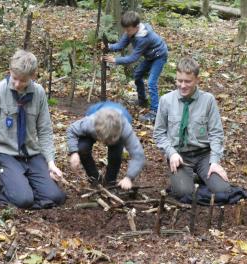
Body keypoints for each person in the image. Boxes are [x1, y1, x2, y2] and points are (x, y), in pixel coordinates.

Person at [0, 49, 66, 209]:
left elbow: (44, 131)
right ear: (10, 71)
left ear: (33, 76)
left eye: (22, 81)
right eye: (14, 78)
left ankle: (19, 182)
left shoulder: (39, 93)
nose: (16, 84)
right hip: (6, 154)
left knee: (56, 197)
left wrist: (51, 163)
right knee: (23, 200)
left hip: (31, 155)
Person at [153, 57, 231, 199]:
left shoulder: (208, 100)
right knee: (184, 193)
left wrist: (214, 161)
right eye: (179, 80)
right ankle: (186, 179)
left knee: (223, 191)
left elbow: (216, 133)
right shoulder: (166, 100)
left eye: (188, 81)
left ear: (197, 80)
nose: (182, 85)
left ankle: (201, 176)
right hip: (180, 155)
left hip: (203, 155)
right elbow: (159, 133)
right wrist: (171, 153)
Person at [103, 11, 168, 123]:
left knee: (152, 82)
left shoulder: (144, 38)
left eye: (128, 30)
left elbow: (133, 58)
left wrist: (115, 60)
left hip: (159, 56)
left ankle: (154, 112)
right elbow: (120, 45)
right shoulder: (130, 32)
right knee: (137, 75)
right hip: (150, 56)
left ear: (136, 27)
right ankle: (142, 100)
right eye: (125, 29)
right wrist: (107, 46)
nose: (126, 32)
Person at [67, 101, 145, 190]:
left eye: (109, 140)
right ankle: (95, 179)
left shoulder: (125, 129)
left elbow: (138, 155)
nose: (106, 143)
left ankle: (110, 183)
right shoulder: (90, 123)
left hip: (117, 127)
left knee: (115, 154)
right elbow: (71, 130)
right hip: (97, 118)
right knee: (82, 148)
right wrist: (74, 152)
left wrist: (129, 177)